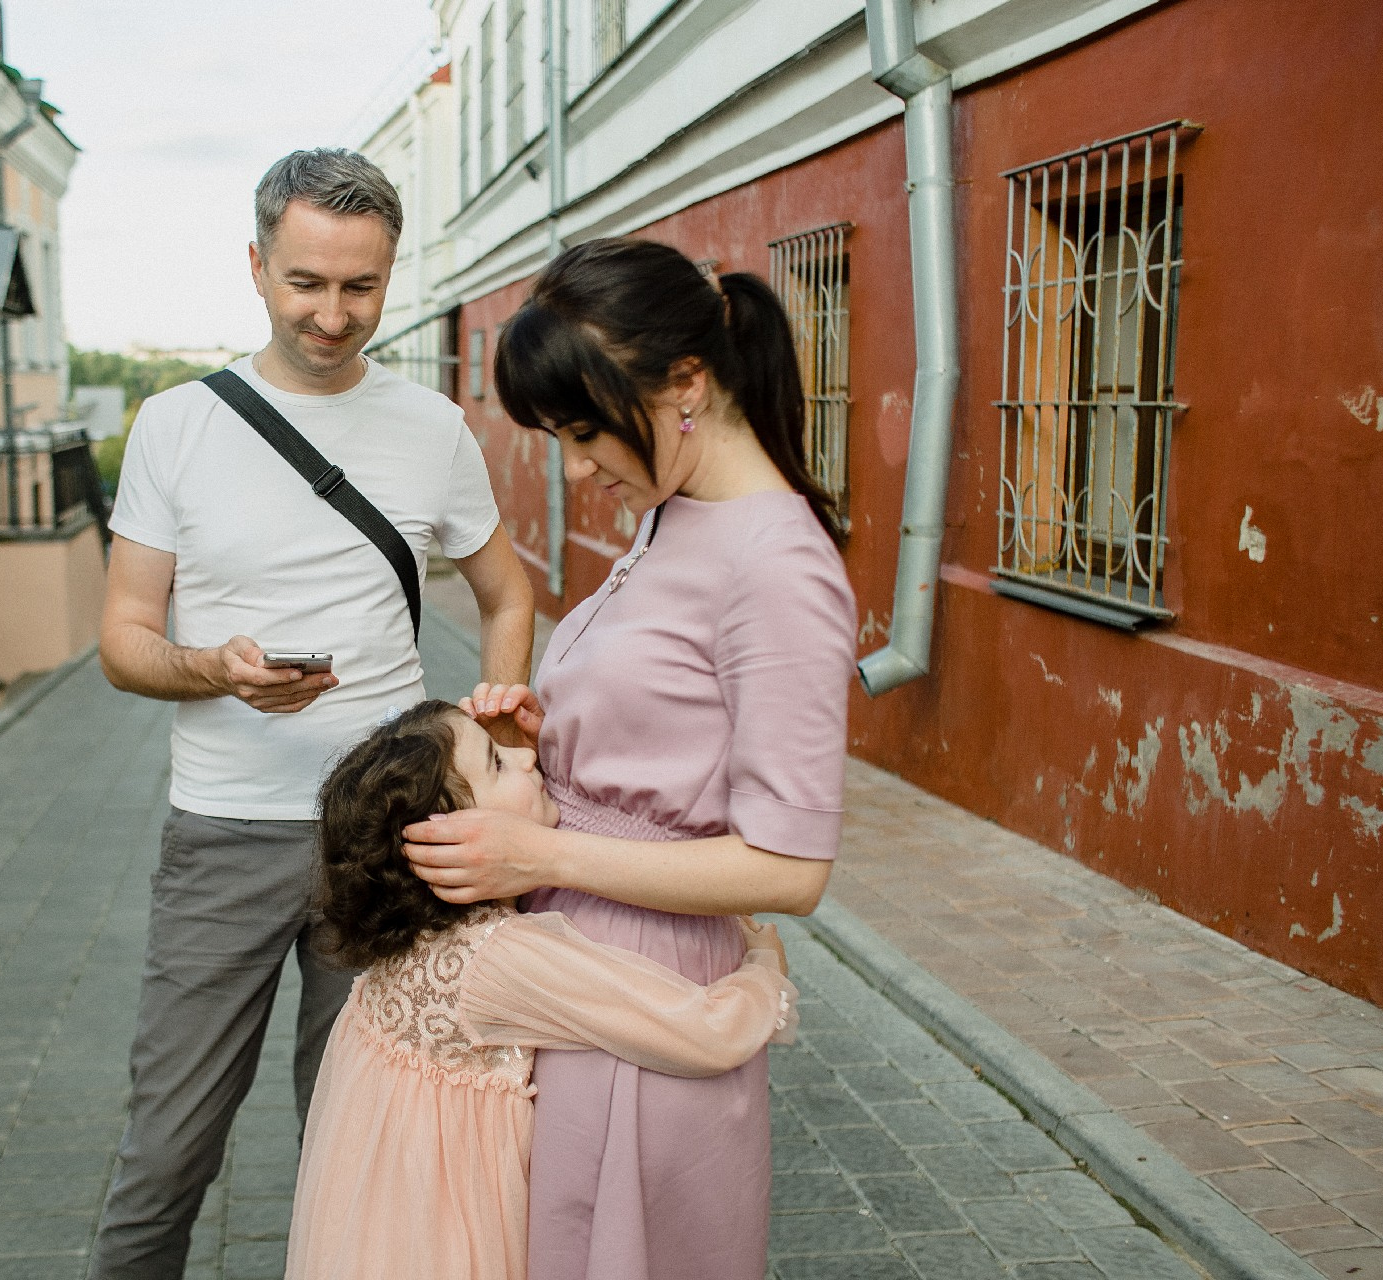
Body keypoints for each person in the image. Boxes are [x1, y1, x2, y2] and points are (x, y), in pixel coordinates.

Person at [90, 149, 536, 1279]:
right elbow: (123, 640)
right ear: (255, 266)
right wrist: (213, 668)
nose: (333, 314)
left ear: (389, 275)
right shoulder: (175, 425)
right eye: (306, 282)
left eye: (360, 286)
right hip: (224, 830)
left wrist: (492, 730)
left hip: (390, 837)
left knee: (370, 1147)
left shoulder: (432, 427)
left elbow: (508, 589)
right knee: (168, 1149)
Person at [403, 237, 857, 1280]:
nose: (573, 467)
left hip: (647, 998)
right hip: (578, 972)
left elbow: (790, 870)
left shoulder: (777, 563)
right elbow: (655, 743)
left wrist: (542, 860)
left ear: (686, 383)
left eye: (583, 429)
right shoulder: (670, 514)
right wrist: (535, 743)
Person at [289, 701, 797, 1280]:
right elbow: (702, 1032)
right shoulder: (496, 960)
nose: (527, 755)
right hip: (453, 1240)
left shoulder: (408, 940)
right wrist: (763, 970)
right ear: (454, 834)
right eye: (497, 765)